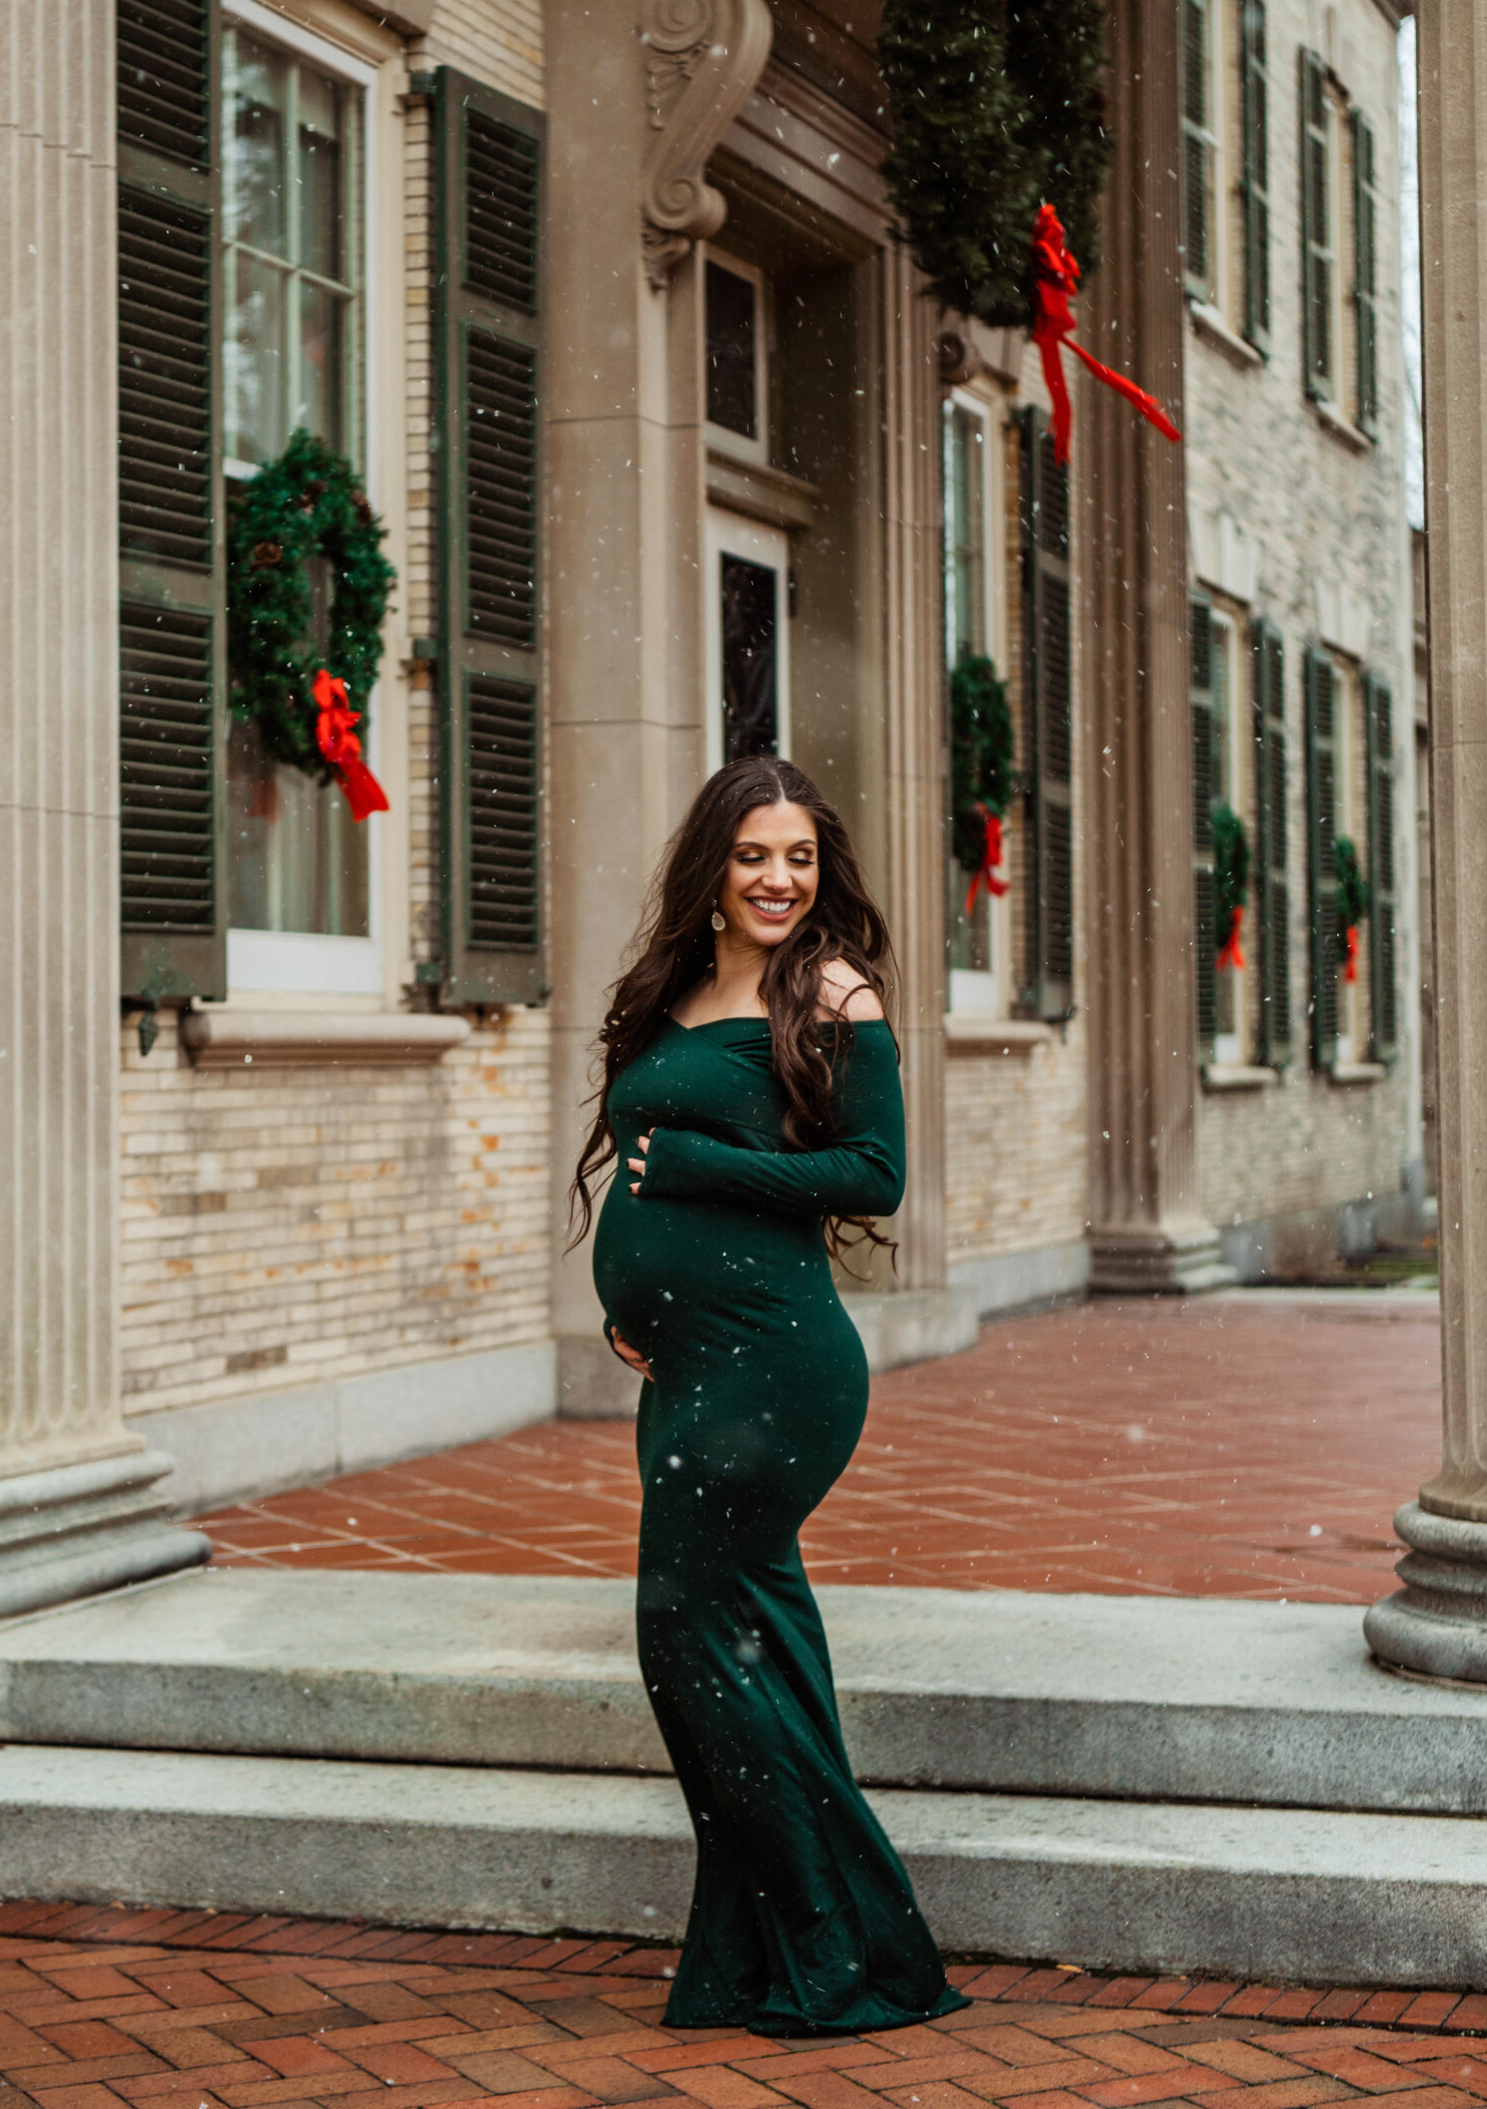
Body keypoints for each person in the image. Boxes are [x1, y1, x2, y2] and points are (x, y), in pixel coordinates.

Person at [571, 755, 963, 2039]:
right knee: (755, 1651)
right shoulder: (678, 987)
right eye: (752, 856)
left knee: (686, 1637)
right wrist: (632, 1299)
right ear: (714, 868)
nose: (777, 879)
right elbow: (640, 1168)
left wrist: (698, 1164)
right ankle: (779, 1949)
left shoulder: (833, 991)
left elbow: (873, 1175)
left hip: (776, 1369)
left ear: (820, 869)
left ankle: (844, 1945)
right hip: (688, 1365)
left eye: (796, 856)